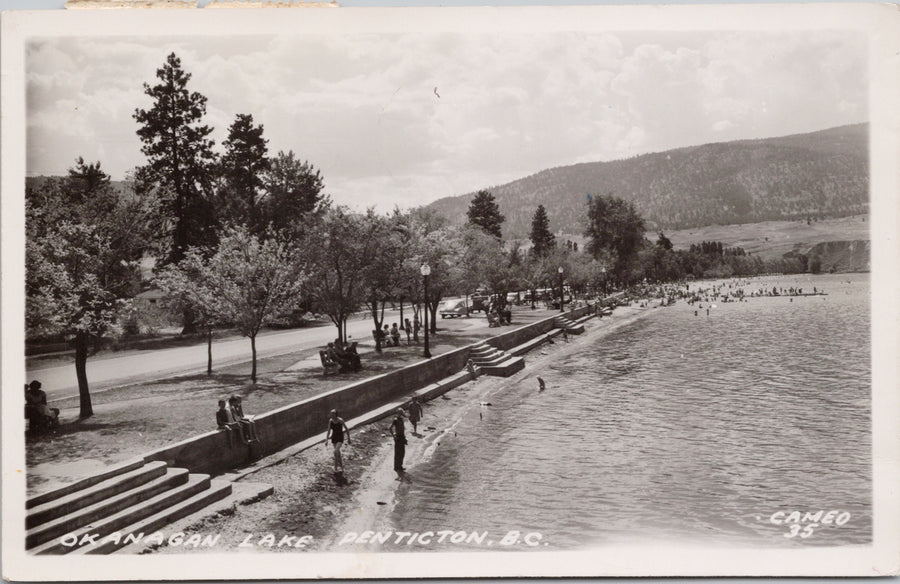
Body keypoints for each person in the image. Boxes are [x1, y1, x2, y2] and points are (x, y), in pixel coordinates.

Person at [390, 408, 407, 476]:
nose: (402, 414)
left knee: (402, 452)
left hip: (402, 437)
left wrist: (405, 438)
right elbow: (390, 428)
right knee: (398, 453)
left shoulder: (401, 420)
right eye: (402, 413)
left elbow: (402, 430)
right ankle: (396, 467)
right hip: (398, 437)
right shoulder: (396, 420)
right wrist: (394, 435)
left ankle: (400, 466)